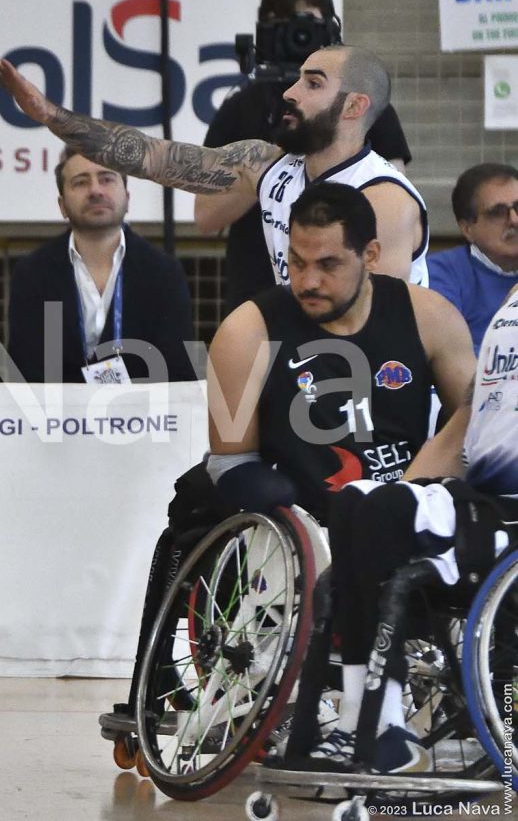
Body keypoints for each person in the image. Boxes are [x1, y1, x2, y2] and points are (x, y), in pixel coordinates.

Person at [99, 183, 474, 755]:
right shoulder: (248, 329)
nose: (309, 281)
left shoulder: (429, 317)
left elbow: (474, 417)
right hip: (302, 520)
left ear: (371, 255)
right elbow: (231, 459)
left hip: (403, 498)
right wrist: (293, 514)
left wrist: (417, 489)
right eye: (297, 263)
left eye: (329, 264)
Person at [0, 43, 430, 289]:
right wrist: (49, 115)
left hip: (376, 392)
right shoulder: (265, 163)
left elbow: (377, 326)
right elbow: (151, 157)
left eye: (312, 84)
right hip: (306, 365)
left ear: (354, 106)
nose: (290, 92)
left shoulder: (383, 200)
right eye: (297, 79)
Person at [309, 283, 518, 774]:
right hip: (481, 502)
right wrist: (396, 500)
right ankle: (363, 720)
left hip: (507, 517)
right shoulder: (511, 303)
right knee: (358, 502)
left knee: (381, 510)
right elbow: (465, 419)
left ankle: (379, 729)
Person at [201, 0, 413, 314]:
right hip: (257, 296)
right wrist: (273, 159)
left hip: (343, 301)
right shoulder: (243, 106)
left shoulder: (363, 105)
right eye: (288, 28)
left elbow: (393, 198)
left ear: (330, 31)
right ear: (267, 33)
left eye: (308, 28)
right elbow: (206, 218)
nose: (299, 39)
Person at [8, 148, 196, 384]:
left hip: (142, 406)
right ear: (62, 205)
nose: (95, 190)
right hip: (56, 408)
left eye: (106, 179)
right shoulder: (32, 273)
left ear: (127, 198)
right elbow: (24, 373)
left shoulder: (163, 272)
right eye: (81, 182)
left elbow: (178, 373)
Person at [427, 163, 518, 353]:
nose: (514, 220)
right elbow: (446, 352)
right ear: (467, 228)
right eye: (497, 212)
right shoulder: (441, 274)